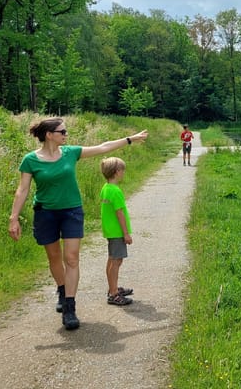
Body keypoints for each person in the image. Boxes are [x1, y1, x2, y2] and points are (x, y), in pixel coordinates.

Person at [8, 117, 148, 330]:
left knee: (71, 258)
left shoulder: (70, 152)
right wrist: (14, 218)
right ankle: (62, 291)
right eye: (62, 132)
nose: (66, 135)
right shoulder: (30, 160)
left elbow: (103, 147)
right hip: (46, 213)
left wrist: (130, 139)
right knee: (54, 257)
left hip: (72, 211)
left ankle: (69, 308)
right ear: (49, 135)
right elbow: (23, 189)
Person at [99, 157, 134, 307]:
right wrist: (126, 233)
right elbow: (120, 213)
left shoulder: (105, 188)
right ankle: (113, 293)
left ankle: (112, 288)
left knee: (112, 259)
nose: (124, 173)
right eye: (122, 170)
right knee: (116, 261)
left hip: (110, 230)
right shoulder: (116, 191)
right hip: (117, 231)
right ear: (117, 172)